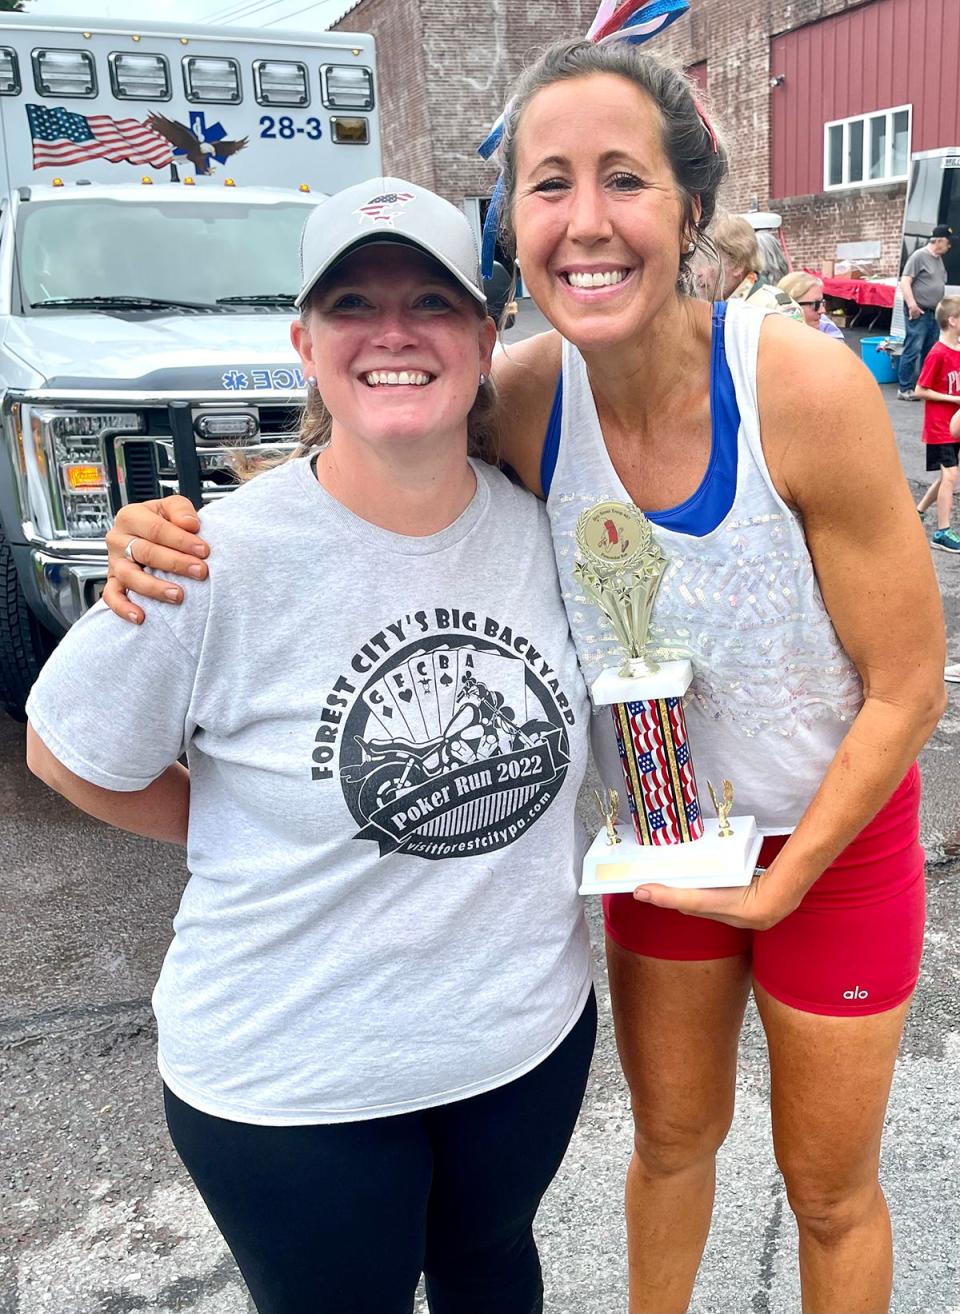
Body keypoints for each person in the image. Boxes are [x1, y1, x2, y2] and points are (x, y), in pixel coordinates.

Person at [103, 39, 945, 1314]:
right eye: (550, 185)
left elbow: (908, 684)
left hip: (835, 841)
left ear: (691, 209)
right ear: (514, 225)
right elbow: (378, 449)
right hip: (668, 833)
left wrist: (793, 881)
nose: (586, 222)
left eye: (625, 180)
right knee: (670, 1148)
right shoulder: (531, 394)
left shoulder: (799, 387)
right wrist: (190, 527)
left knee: (826, 1191)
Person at [25, 178, 598, 1314]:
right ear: (305, 344)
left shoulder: (547, 530)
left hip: (522, 1045)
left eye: (431, 301)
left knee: (494, 1272)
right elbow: (67, 753)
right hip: (297, 1082)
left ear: (486, 341)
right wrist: (224, 821)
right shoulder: (211, 559)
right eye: (352, 304)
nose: (393, 332)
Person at [914, 295, 960, 553]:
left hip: (956, 426)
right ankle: (942, 532)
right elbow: (920, 389)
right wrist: (952, 398)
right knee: (951, 475)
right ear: (952, 321)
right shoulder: (937, 352)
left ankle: (918, 511)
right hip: (939, 426)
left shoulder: (958, 350)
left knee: (948, 477)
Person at [897, 224, 952, 400]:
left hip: (933, 312)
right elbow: (905, 281)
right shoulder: (919, 256)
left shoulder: (938, 259)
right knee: (913, 348)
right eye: (948, 243)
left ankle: (924, 386)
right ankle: (905, 389)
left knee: (929, 352)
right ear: (940, 241)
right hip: (919, 311)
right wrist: (912, 305)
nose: (949, 247)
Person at [711, 214, 800, 317]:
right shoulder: (710, 305)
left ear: (737, 266)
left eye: (707, 261)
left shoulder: (776, 309)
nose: (698, 271)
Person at [777, 270, 846, 340]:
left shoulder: (826, 328)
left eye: (822, 302)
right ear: (790, 307)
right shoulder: (771, 329)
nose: (823, 310)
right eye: (816, 304)